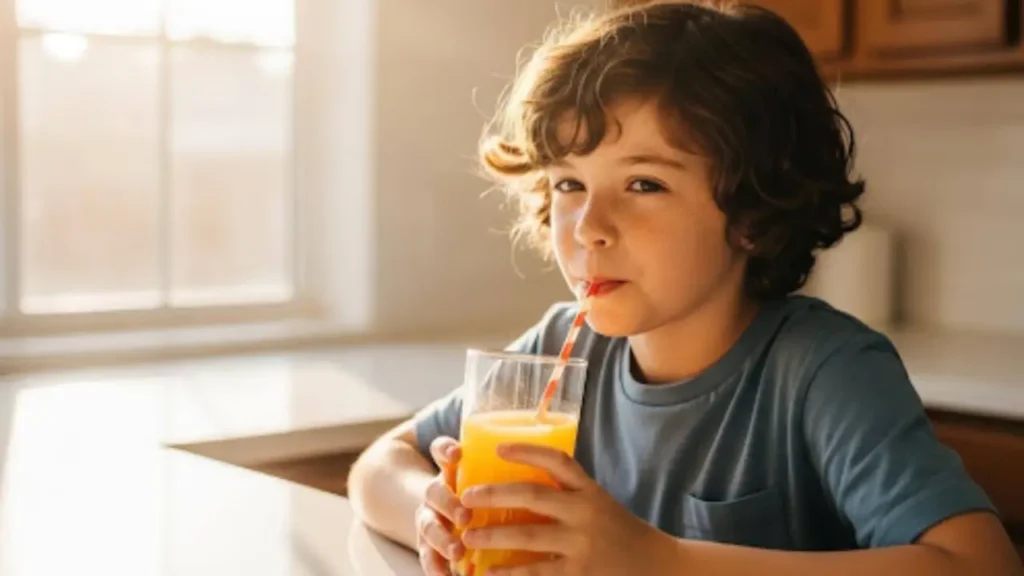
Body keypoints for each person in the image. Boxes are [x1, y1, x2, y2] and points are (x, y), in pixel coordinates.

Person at [347, 2, 1024, 575]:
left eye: (644, 185)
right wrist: (432, 516)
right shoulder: (560, 348)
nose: (588, 226)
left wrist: (661, 559)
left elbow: (979, 562)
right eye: (569, 184)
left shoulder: (822, 370)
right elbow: (380, 464)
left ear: (752, 218)